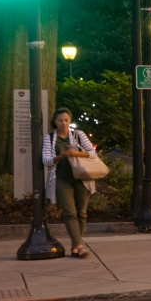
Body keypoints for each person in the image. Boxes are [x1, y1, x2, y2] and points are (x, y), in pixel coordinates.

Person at [43, 107, 102, 256]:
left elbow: (92, 154)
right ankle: (79, 245)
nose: (63, 123)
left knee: (81, 213)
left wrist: (73, 153)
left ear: (70, 121)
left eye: (66, 120)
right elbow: (46, 161)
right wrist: (61, 156)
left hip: (82, 178)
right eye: (60, 120)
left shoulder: (78, 135)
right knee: (70, 213)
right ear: (55, 122)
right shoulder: (49, 138)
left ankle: (76, 246)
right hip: (61, 179)